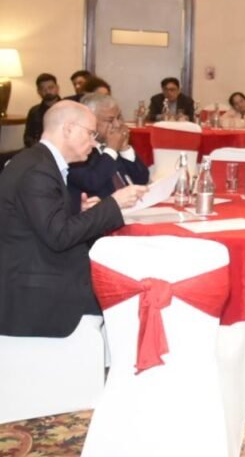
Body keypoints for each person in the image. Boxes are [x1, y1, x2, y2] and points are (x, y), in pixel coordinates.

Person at [0, 100, 147, 338]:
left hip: (37, 269)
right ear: (67, 129)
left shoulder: (39, 161)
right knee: (125, 287)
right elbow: (59, 236)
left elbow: (45, 223)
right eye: (90, 134)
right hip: (33, 292)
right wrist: (114, 204)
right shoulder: (37, 169)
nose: (93, 142)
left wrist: (81, 213)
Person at [68, 93, 150, 208]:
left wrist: (124, 149)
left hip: (132, 209)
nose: (117, 124)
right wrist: (111, 149)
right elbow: (92, 183)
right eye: (110, 120)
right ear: (90, 120)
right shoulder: (77, 150)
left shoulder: (111, 143)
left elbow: (142, 179)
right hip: (103, 215)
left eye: (119, 117)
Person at [23, 73, 61, 147]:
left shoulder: (68, 107)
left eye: (51, 88)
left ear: (57, 88)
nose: (47, 92)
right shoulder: (34, 111)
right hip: (39, 150)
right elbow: (28, 137)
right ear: (38, 91)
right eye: (43, 89)